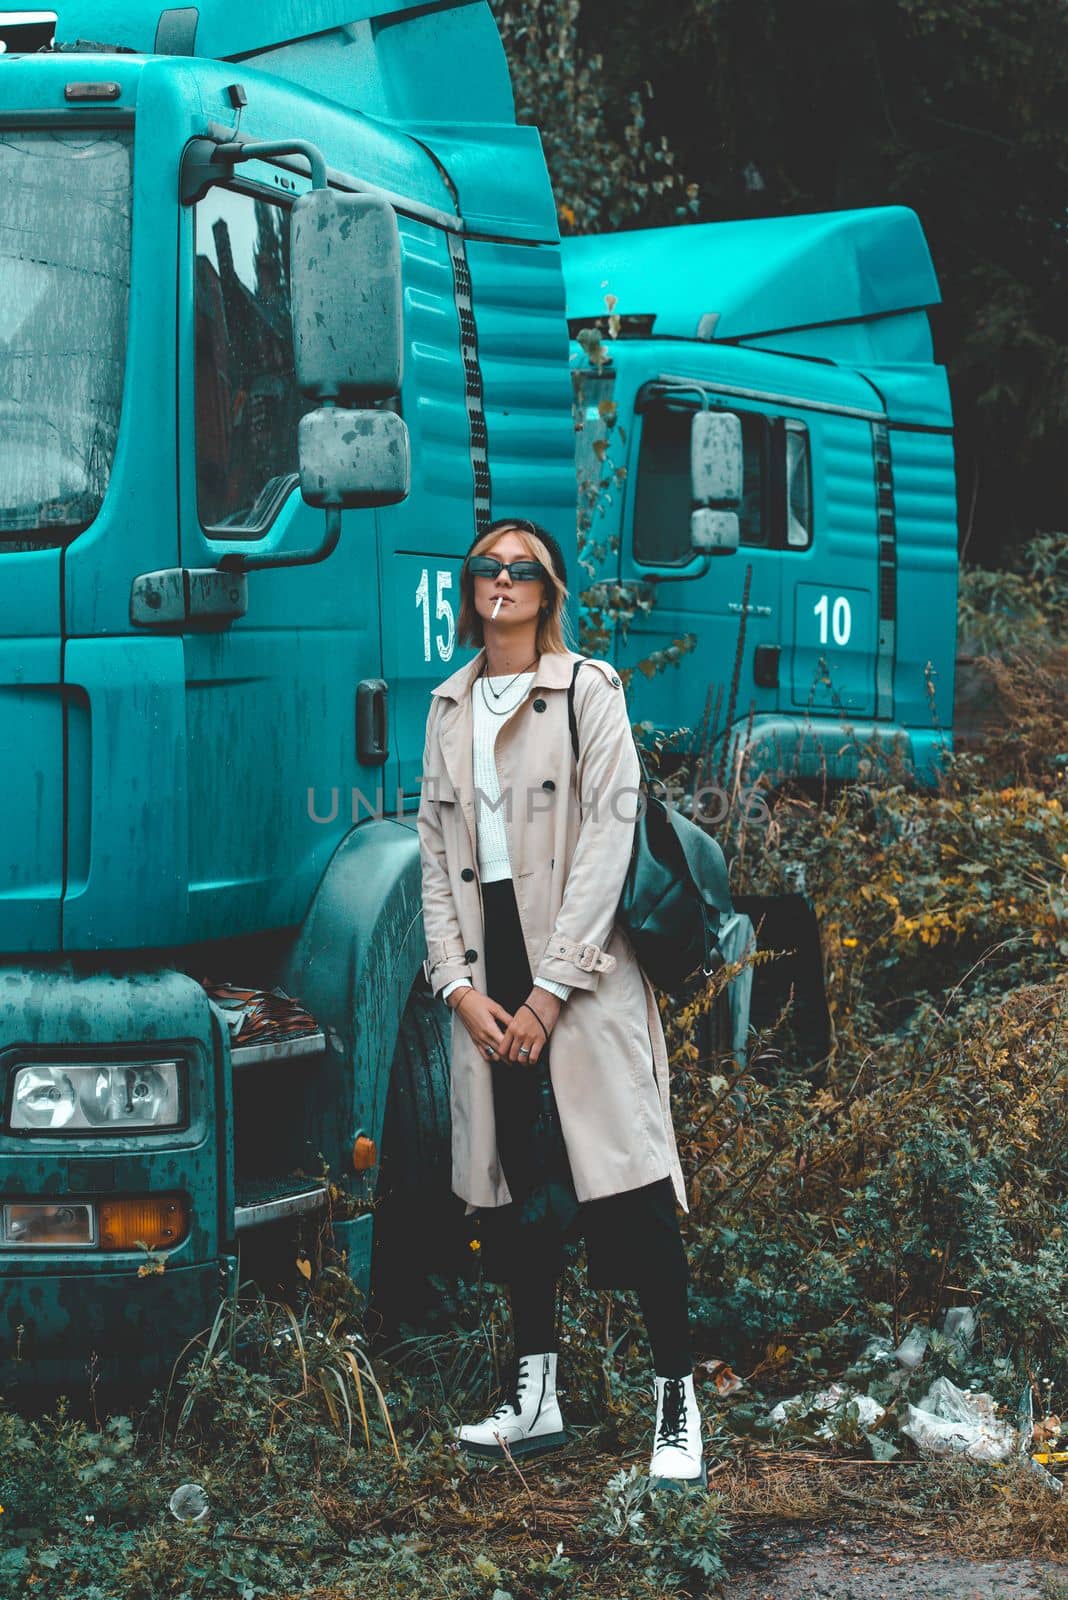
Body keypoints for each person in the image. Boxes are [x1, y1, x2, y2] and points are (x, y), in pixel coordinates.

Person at [416, 516, 705, 1487]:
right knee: (516, 1196)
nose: (501, 578)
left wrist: (547, 991)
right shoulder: (448, 705)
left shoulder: (589, 692)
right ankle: (536, 1397)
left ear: (549, 590)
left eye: (521, 567)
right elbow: (429, 856)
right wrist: (457, 986)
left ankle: (677, 1401)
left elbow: (607, 847)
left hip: (576, 970)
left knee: (626, 1189)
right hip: (487, 971)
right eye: (485, 566)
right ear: (470, 588)